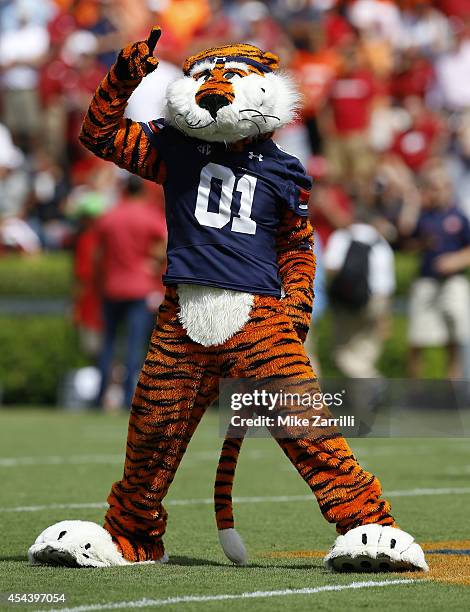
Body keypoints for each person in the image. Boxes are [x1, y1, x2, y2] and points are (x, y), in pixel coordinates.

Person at [94, 174, 166, 409]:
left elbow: (97, 254)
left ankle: (100, 396)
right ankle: (127, 399)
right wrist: (154, 263)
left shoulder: (110, 215)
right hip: (139, 287)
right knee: (134, 345)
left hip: (112, 287)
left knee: (109, 344)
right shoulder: (149, 215)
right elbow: (168, 240)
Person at [406, 161, 470, 378]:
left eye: (441, 186)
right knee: (417, 339)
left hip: (452, 281)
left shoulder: (459, 216)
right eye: (433, 186)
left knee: (454, 338)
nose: (437, 191)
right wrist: (413, 202)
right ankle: (416, 394)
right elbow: (406, 238)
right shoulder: (424, 216)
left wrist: (456, 260)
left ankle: (453, 392)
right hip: (426, 280)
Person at [324, 208, 396, 378]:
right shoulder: (381, 242)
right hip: (376, 302)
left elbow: (331, 267)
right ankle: (366, 399)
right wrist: (386, 316)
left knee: (342, 354)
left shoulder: (342, 236)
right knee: (366, 354)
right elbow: (386, 283)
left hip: (346, 303)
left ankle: (372, 381)